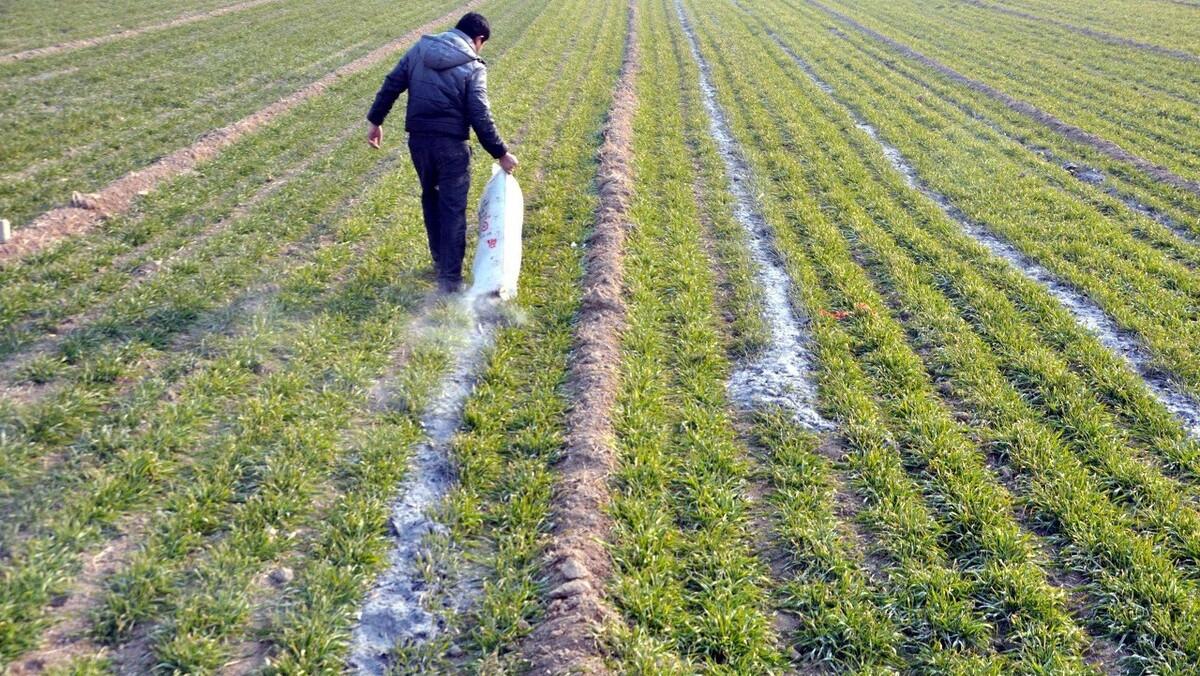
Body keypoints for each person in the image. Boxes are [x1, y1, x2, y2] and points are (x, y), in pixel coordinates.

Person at [366, 12, 518, 294]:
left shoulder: (420, 49)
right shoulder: (473, 66)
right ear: (479, 39)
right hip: (452, 147)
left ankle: (439, 261)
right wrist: (501, 153)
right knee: (452, 210)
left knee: (431, 198)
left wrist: (376, 121)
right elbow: (479, 114)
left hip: (419, 143)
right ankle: (449, 280)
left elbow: (391, 84)